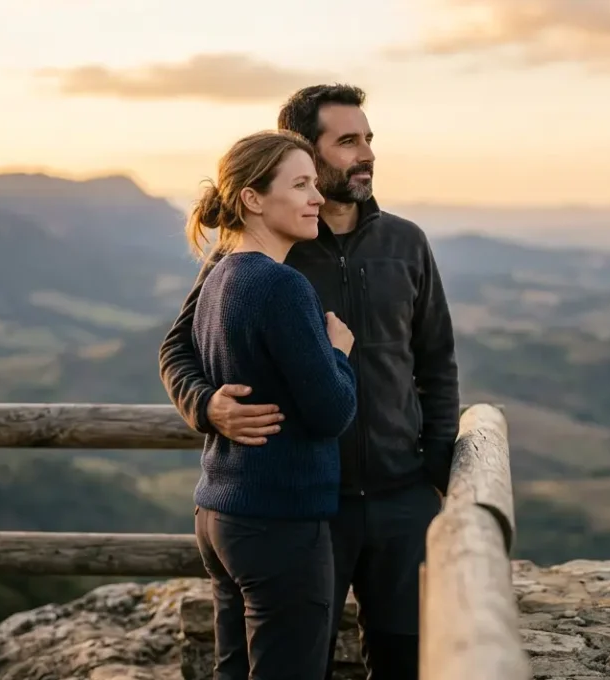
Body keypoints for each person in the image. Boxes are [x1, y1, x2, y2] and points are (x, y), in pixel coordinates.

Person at [160, 84, 459, 679]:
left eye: (369, 139)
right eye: (347, 141)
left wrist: (438, 471)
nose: (366, 154)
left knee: (407, 659)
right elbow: (177, 348)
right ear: (306, 151)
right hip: (308, 504)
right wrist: (207, 406)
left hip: (402, 500)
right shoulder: (267, 252)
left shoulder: (406, 243)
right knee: (296, 661)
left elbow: (436, 361)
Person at [184, 129, 359, 680]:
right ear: (252, 199)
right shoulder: (281, 285)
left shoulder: (221, 277)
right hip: (278, 521)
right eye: (301, 185)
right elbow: (332, 412)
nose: (317, 198)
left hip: (221, 515)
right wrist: (339, 353)